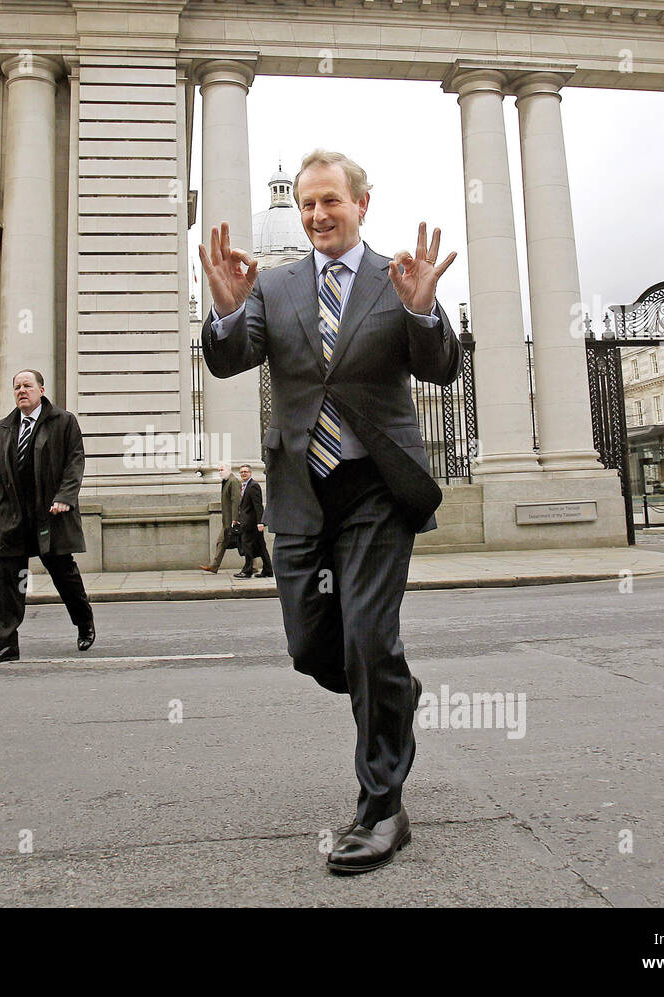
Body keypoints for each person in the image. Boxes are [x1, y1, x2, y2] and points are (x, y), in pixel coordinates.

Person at [198, 149, 460, 875]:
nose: (316, 214)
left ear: (361, 205)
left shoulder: (396, 277)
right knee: (314, 647)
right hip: (300, 494)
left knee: (369, 636)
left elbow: (441, 366)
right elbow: (230, 359)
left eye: (330, 202)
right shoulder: (275, 285)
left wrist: (421, 311)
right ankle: (394, 690)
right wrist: (225, 310)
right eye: (308, 203)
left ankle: (382, 806)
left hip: (376, 487)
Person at [0, 369, 95, 664]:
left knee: (63, 575)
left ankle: (84, 622)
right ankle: (5, 645)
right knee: (9, 580)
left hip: (50, 515)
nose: (21, 391)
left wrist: (64, 498)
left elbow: (74, 461)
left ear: (41, 390)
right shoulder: (2, 428)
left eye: (27, 386)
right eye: (17, 387)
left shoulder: (63, 422)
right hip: (13, 517)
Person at [232, 464, 272, 579]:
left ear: (250, 473)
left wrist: (261, 522)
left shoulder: (253, 486)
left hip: (252, 523)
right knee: (261, 546)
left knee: (247, 546)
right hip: (247, 522)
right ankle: (268, 570)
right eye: (242, 472)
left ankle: (247, 570)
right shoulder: (244, 486)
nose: (243, 474)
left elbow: (258, 506)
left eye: (246, 472)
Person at [199, 462, 241, 573]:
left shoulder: (233, 482)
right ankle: (214, 566)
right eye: (219, 470)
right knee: (221, 542)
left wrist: (235, 519)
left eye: (222, 470)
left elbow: (236, 501)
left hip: (233, 520)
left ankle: (253, 565)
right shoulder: (226, 482)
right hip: (227, 520)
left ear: (229, 470)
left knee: (243, 544)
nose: (220, 472)